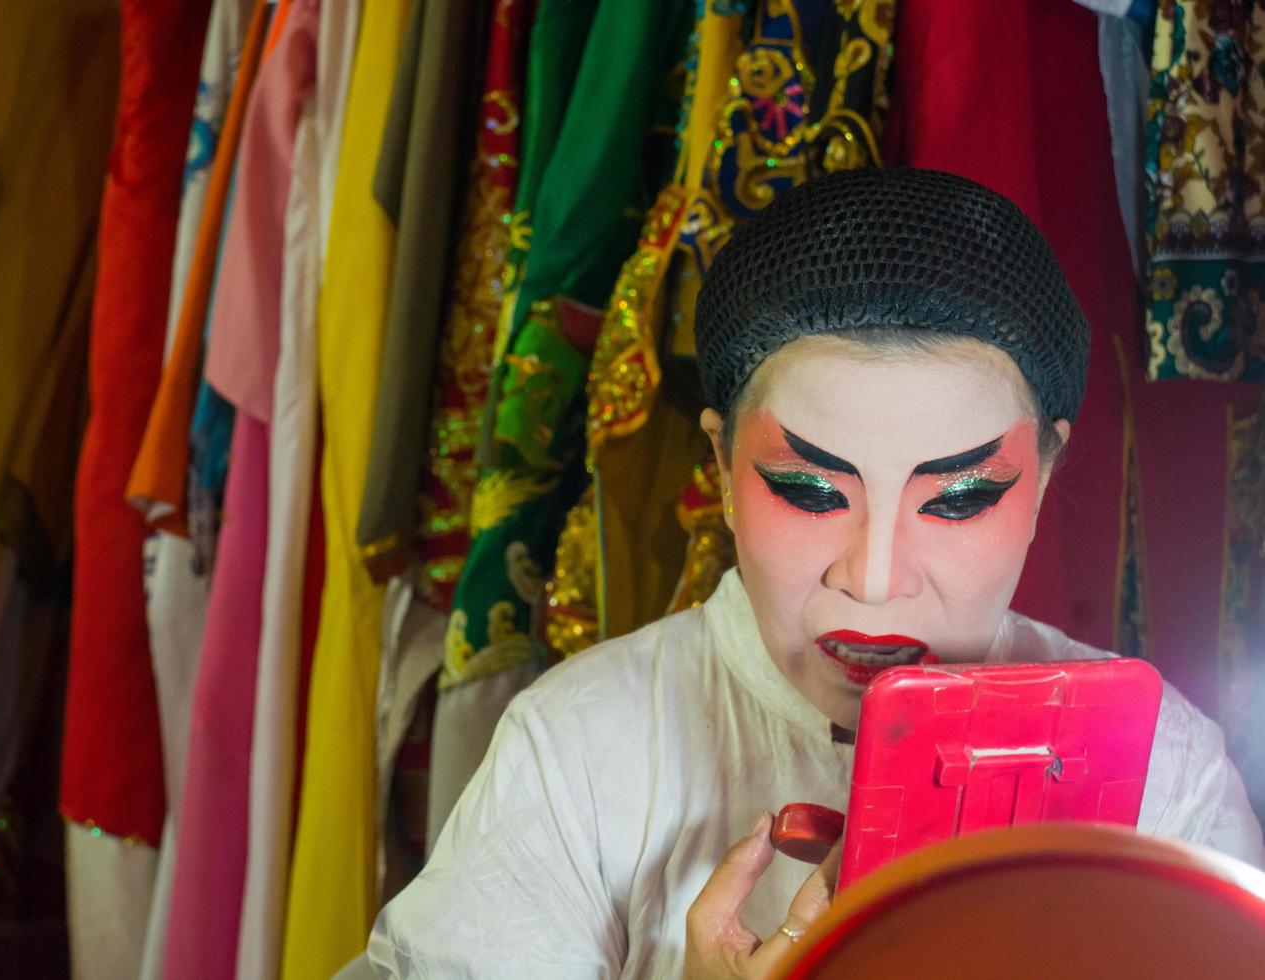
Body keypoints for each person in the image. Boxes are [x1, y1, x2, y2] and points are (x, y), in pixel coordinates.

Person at [360, 168, 1265, 978]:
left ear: (1045, 480)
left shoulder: (1159, 771)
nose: (872, 581)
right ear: (719, 468)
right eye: (807, 490)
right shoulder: (585, 748)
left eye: (954, 500)